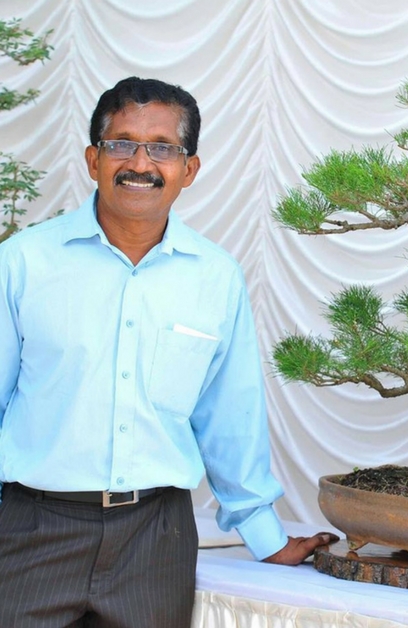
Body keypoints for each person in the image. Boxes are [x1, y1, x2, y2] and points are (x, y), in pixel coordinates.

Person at [0, 76, 337, 627]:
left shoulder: (216, 278)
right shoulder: (21, 263)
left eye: (162, 148)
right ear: (93, 159)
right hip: (31, 531)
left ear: (189, 169)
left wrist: (265, 536)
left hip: (156, 540)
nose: (140, 163)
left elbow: (229, 417)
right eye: (121, 144)